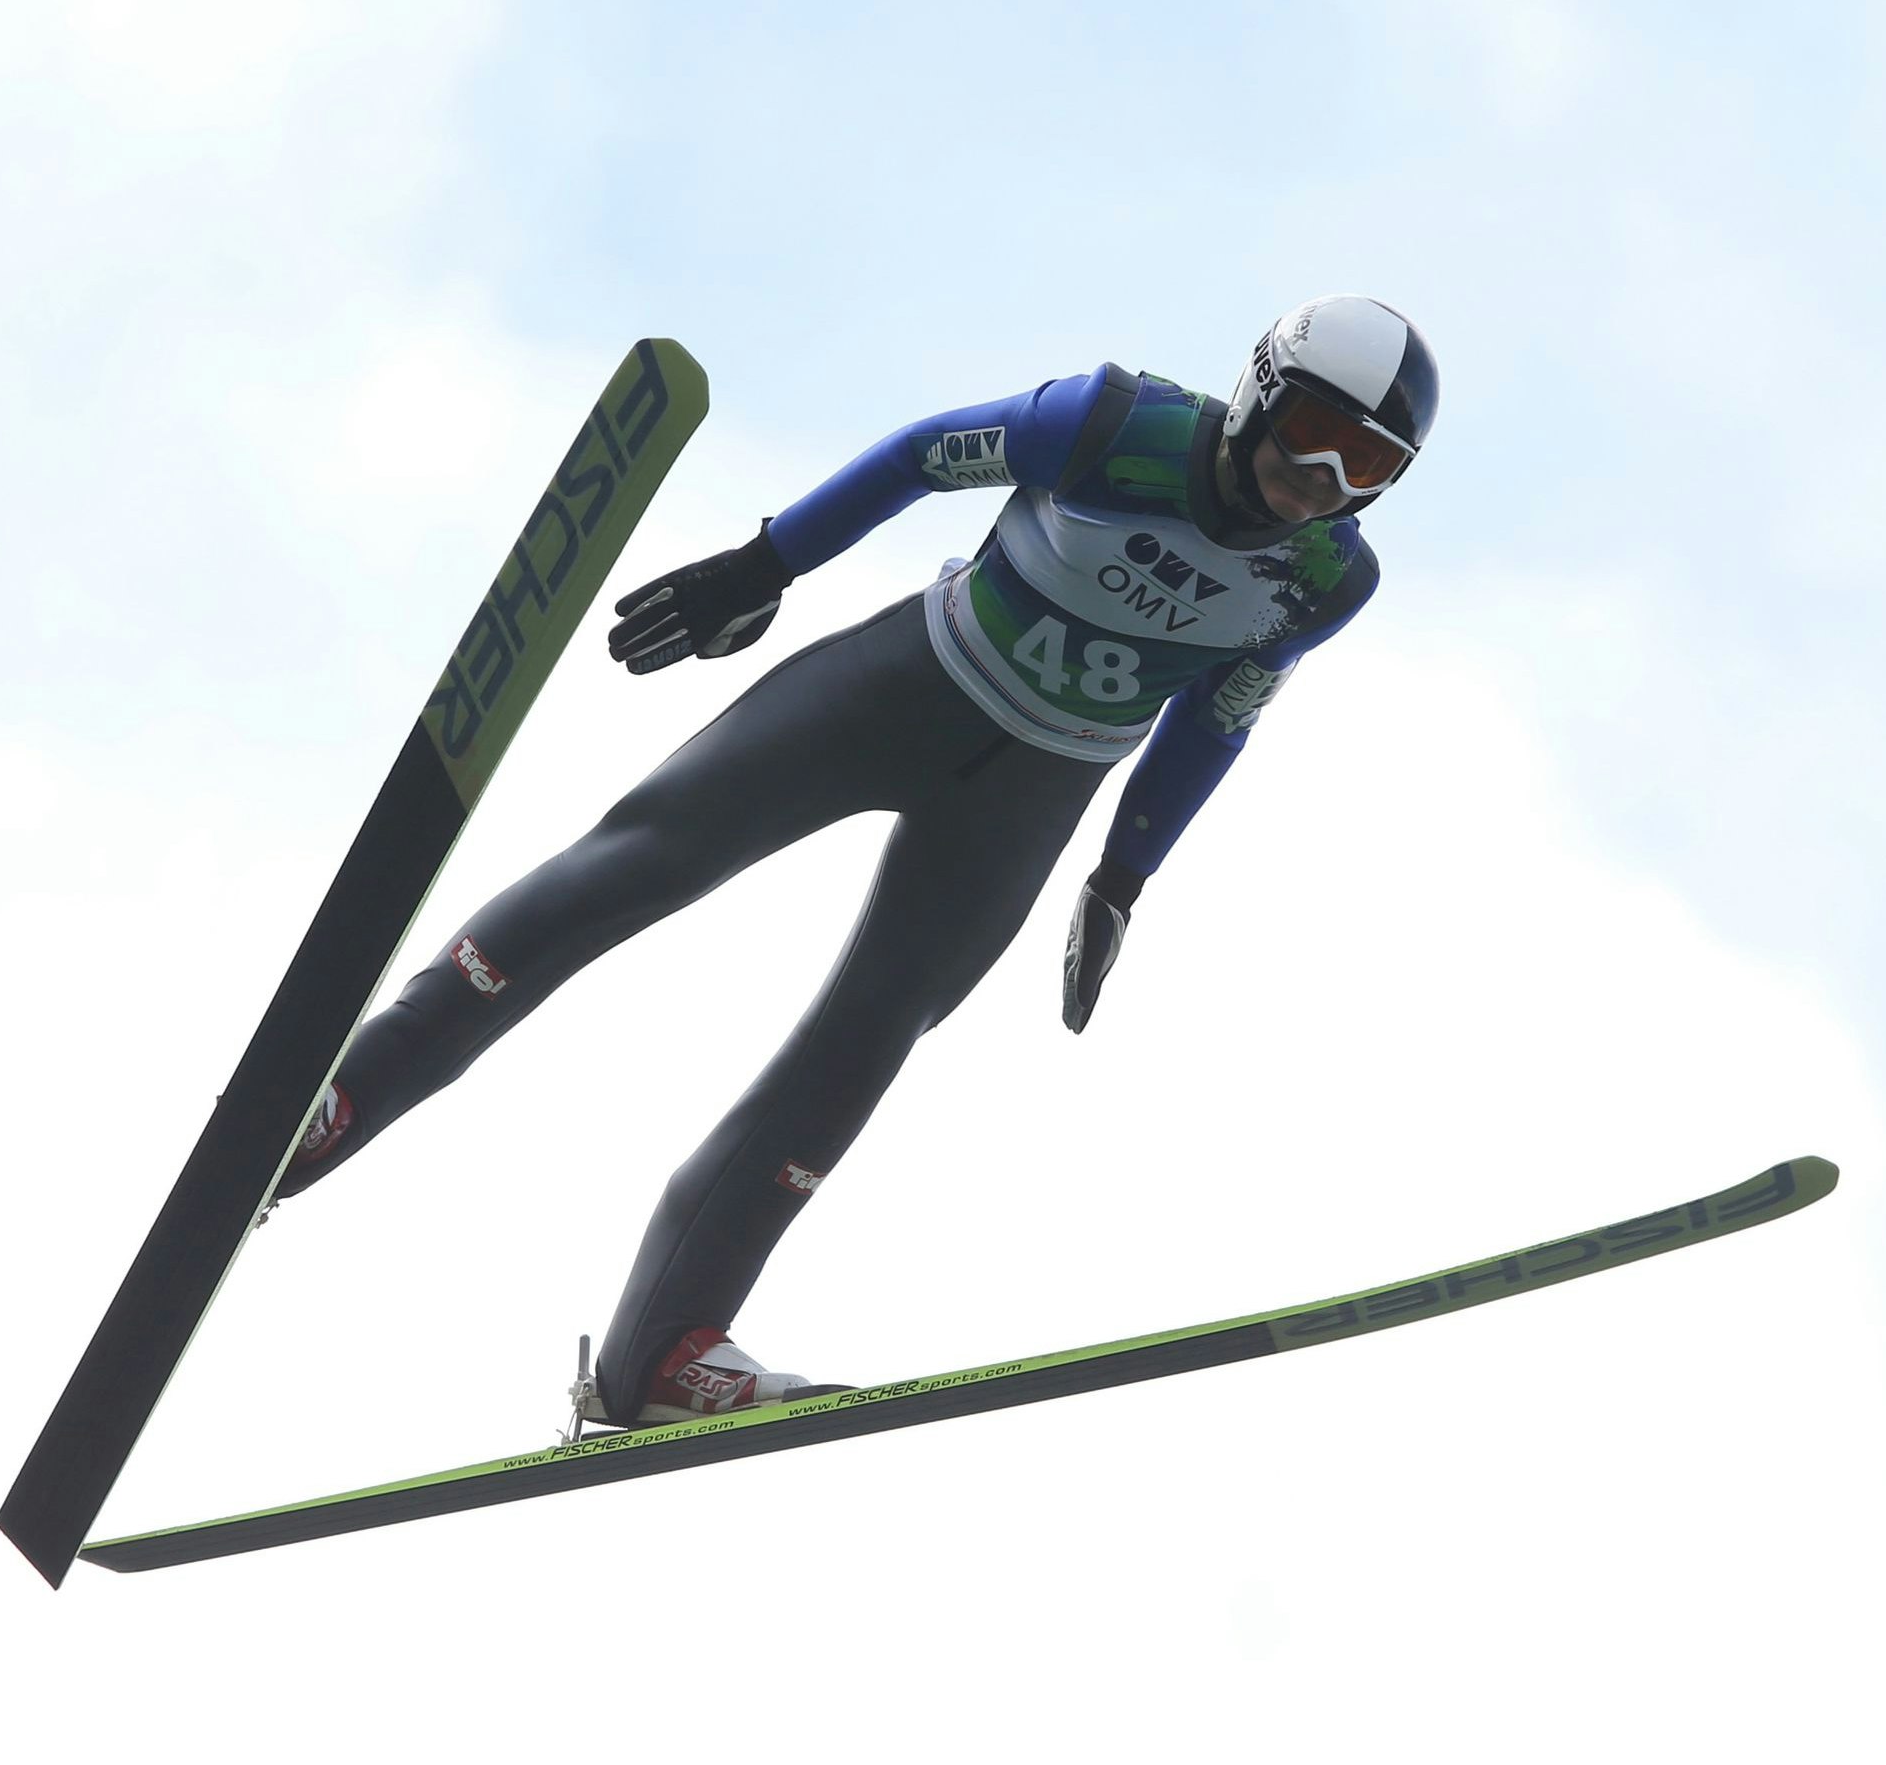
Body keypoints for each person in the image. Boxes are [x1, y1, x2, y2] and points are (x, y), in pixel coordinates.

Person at [275, 296, 1439, 1427]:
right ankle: (337, 1099)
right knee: (636, 865)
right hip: (895, 691)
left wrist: (1123, 876)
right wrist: (764, 564)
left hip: (1030, 799)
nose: (1327, 484)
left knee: (862, 1044)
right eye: (1319, 439)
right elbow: (921, 457)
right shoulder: (1109, 422)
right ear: (1257, 398)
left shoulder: (1328, 578)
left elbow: (1217, 721)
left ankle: (665, 1355)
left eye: (1371, 467)